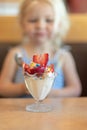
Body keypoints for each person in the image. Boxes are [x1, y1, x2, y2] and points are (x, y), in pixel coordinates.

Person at [0, 0, 81, 97]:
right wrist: (25, 87)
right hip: (22, 110)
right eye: (33, 20)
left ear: (59, 24)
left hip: (55, 110)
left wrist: (46, 91)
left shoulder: (63, 56)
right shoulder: (16, 54)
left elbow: (75, 89)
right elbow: (3, 88)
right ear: (22, 23)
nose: (40, 26)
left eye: (49, 20)